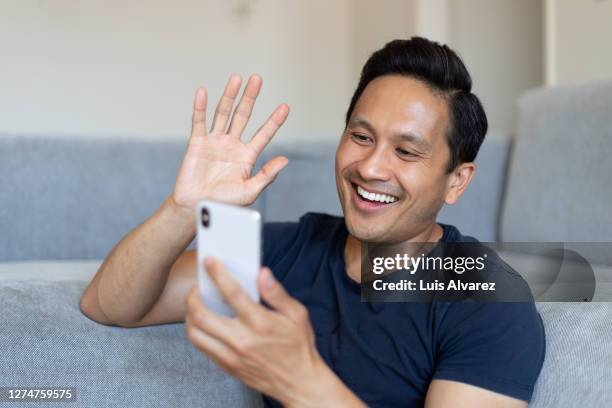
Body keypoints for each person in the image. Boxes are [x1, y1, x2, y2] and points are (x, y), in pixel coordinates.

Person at [80, 37, 545, 407]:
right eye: (360, 137)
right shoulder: (289, 249)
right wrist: (181, 211)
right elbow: (113, 305)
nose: (371, 167)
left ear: (456, 181)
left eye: (406, 151)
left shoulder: (488, 301)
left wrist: (304, 383)